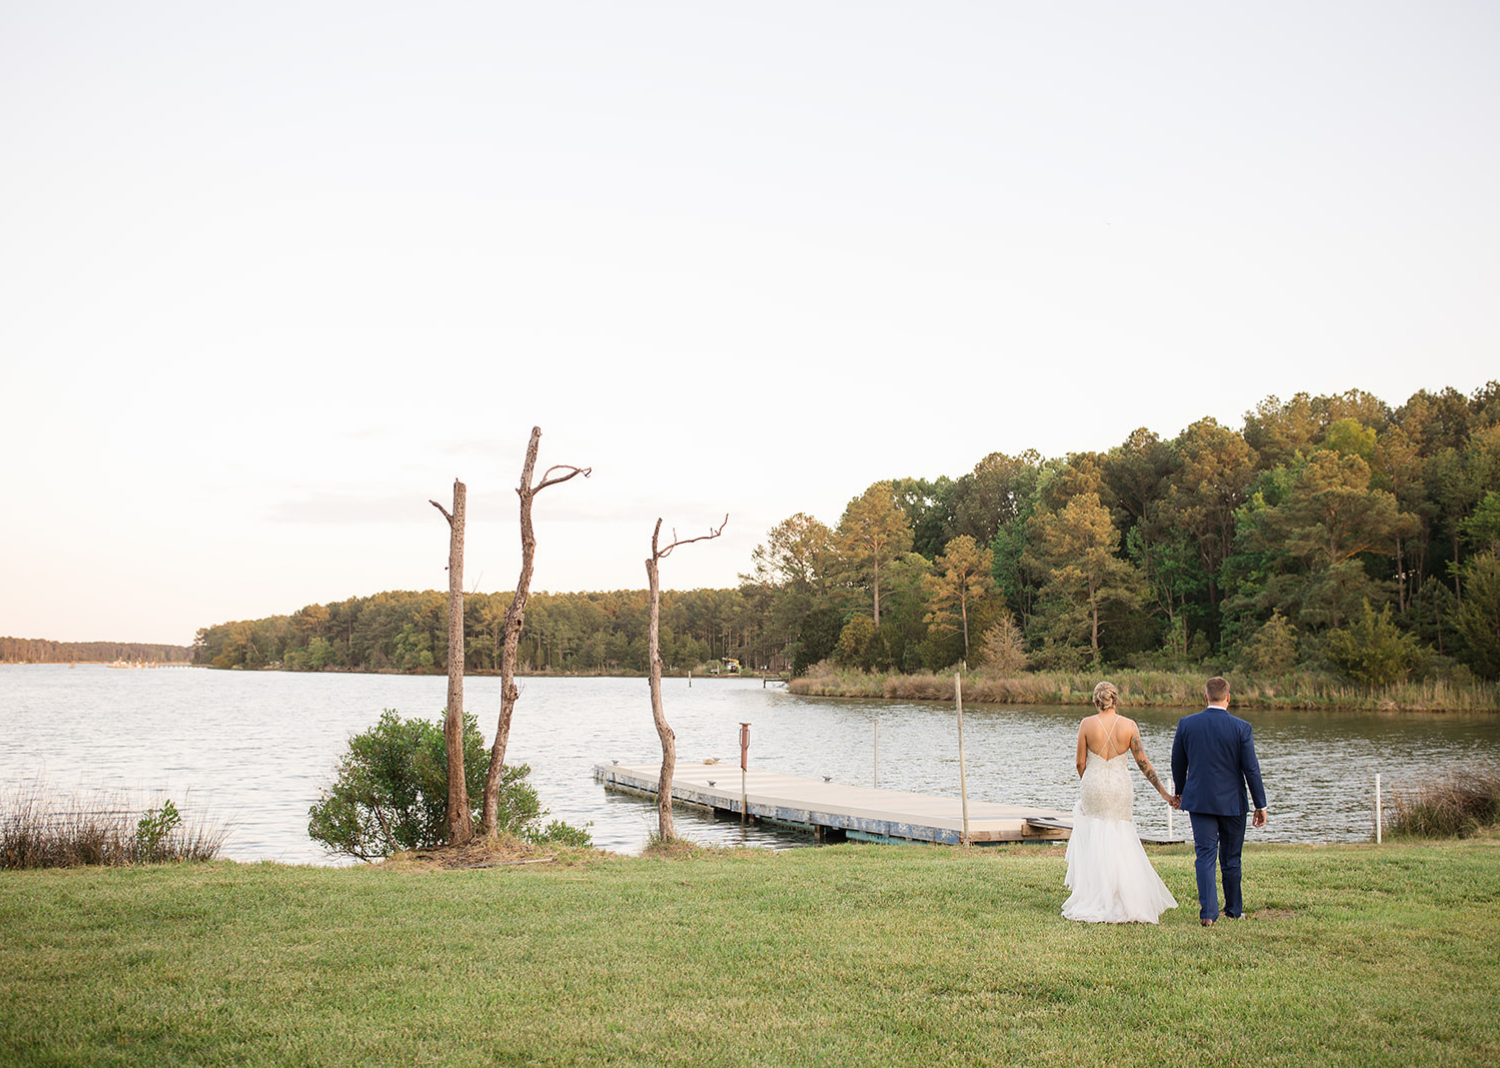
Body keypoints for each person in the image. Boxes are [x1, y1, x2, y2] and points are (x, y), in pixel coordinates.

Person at [1061, 681, 1178, 924]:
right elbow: (1143, 762)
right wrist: (1165, 794)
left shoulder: (1086, 724)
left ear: (1096, 701)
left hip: (1093, 786)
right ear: (1116, 700)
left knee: (1096, 834)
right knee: (1121, 835)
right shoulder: (1129, 726)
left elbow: (1079, 764)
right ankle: (1125, 898)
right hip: (1119, 786)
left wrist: (1091, 780)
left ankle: (1096, 894)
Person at [1170, 676, 1268, 927]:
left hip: (1200, 800)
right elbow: (1251, 769)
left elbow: (1178, 763)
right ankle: (1234, 910)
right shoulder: (1241, 728)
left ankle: (1208, 914)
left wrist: (1180, 791)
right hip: (1232, 803)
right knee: (1231, 858)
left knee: (1204, 854)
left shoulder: (1186, 724)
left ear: (1205, 697)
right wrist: (1260, 804)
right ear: (1228, 698)